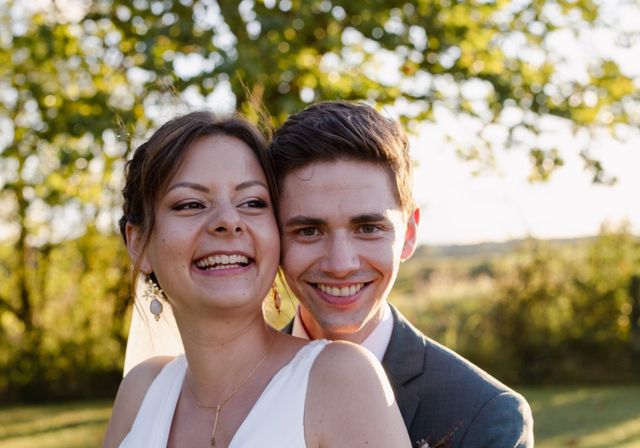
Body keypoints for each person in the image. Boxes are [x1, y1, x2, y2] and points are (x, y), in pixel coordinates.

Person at [103, 111, 411, 448]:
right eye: (190, 204)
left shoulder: (341, 379)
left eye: (252, 202)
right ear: (138, 244)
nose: (228, 220)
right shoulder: (142, 390)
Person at [269, 101, 534, 447]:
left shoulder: (484, 415)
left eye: (367, 228)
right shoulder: (238, 389)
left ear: (408, 234)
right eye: (308, 231)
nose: (341, 264)